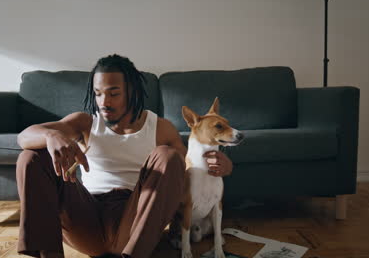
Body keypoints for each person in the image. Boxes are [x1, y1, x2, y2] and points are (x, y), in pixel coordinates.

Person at [15, 54, 234, 258]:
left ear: (132, 92)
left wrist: (224, 167)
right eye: (98, 93)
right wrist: (51, 135)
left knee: (169, 157)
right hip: (87, 216)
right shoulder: (85, 123)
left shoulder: (160, 128)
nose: (103, 102)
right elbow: (24, 137)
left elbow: (187, 172)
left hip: (136, 218)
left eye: (113, 93)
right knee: (30, 157)